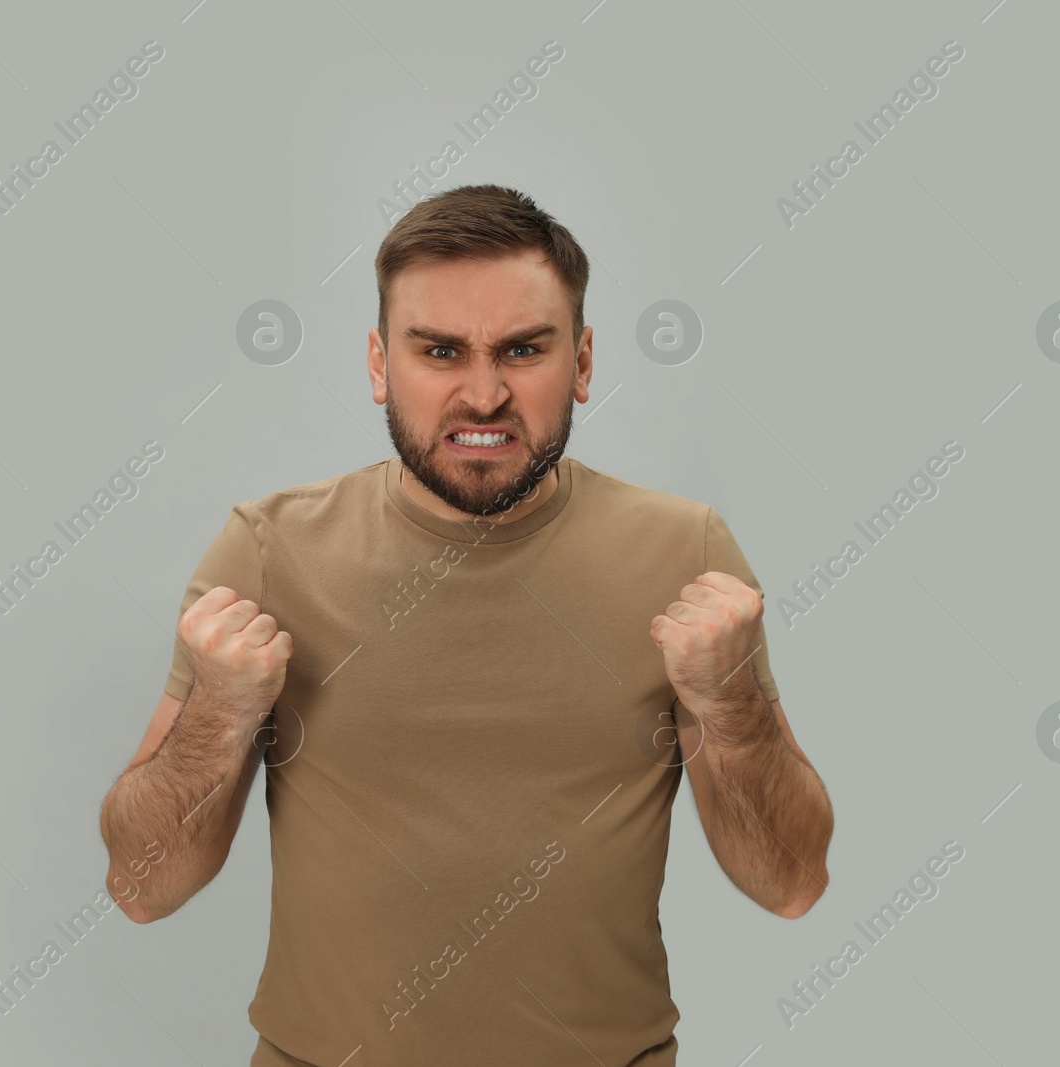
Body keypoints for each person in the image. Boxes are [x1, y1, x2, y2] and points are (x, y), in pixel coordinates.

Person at [98, 184, 833, 1066]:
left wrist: (730, 700)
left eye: (523, 349)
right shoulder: (267, 552)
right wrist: (219, 709)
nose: (483, 394)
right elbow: (141, 887)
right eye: (439, 350)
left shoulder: (687, 551)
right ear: (379, 365)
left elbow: (790, 882)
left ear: (585, 361)